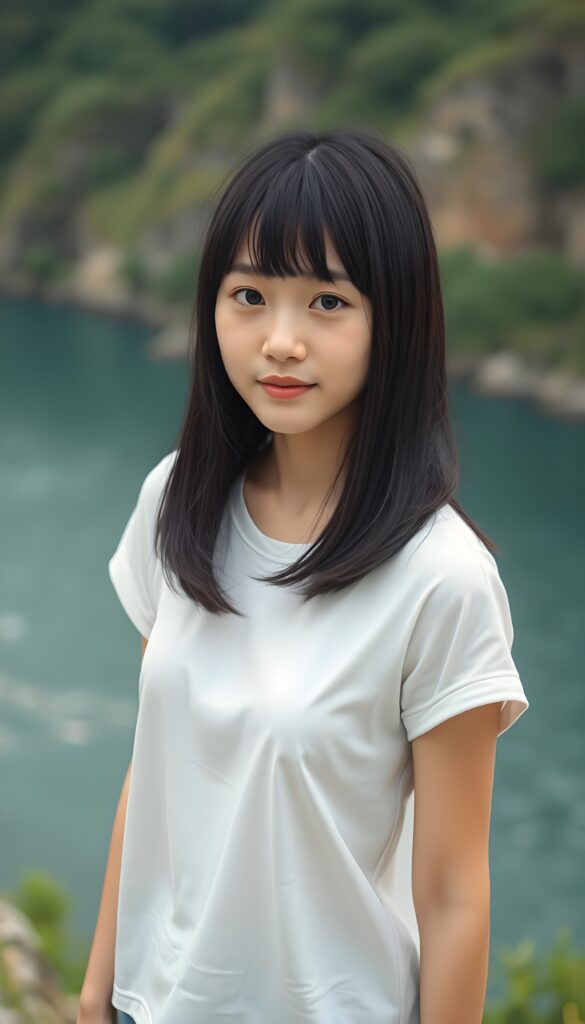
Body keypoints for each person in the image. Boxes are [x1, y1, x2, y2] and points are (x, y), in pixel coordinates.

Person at [78, 126, 529, 1024]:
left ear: (393, 319)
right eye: (249, 295)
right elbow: (154, 765)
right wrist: (98, 991)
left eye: (326, 302)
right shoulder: (175, 502)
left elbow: (451, 894)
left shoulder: (443, 580)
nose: (279, 341)